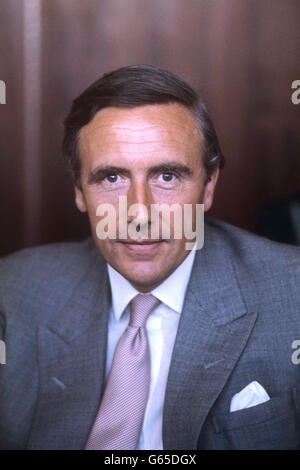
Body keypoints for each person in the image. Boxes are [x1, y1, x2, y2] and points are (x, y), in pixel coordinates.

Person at [0, 65, 299, 450]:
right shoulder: (14, 292)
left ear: (208, 186)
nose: (139, 212)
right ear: (78, 191)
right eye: (112, 178)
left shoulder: (292, 296)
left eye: (167, 176)